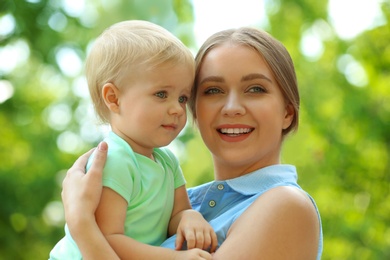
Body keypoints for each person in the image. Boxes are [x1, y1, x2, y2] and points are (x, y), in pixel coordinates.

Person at [60, 26, 324, 259]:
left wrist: (82, 226)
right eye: (213, 91)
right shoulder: (182, 200)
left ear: (287, 113)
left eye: (255, 89)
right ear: (197, 110)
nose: (232, 108)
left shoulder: (285, 206)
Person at [50, 20, 217, 260]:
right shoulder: (114, 161)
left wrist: (189, 217)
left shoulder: (167, 161)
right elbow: (109, 240)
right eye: (161, 94)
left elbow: (176, 214)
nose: (178, 109)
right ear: (114, 98)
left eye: (182, 98)